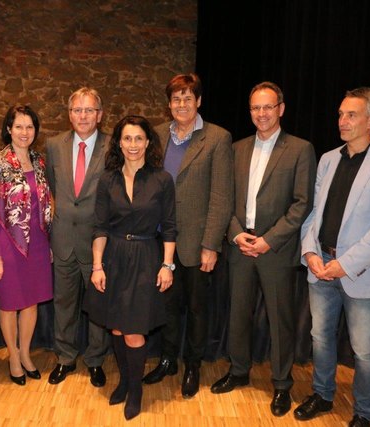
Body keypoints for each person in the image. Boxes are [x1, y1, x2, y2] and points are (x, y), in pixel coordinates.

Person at [295, 87, 370, 427]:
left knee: (364, 351)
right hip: (320, 266)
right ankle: (323, 394)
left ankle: (364, 413)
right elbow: (314, 213)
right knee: (320, 337)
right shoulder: (329, 159)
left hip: (359, 272)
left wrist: (344, 265)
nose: (342, 121)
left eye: (351, 115)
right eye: (341, 114)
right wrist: (310, 251)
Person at [210, 82, 316, 417]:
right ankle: (239, 371)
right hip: (241, 246)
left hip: (276, 250)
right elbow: (224, 198)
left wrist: (269, 240)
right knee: (238, 313)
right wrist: (237, 233)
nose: (262, 113)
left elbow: (302, 204)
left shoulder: (300, 149)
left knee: (279, 320)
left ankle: (282, 384)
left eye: (268, 107)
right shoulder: (237, 148)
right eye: (256, 107)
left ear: (281, 109)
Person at [143, 73, 233, 399]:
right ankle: (168, 359)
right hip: (160, 241)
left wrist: (211, 244)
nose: (182, 104)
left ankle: (192, 364)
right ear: (169, 104)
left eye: (188, 98)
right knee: (166, 306)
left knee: (197, 308)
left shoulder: (218, 139)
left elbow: (222, 196)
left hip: (197, 242)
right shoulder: (156, 137)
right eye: (176, 99)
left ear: (199, 101)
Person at [84, 115, 176, 419]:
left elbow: (171, 228)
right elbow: (99, 227)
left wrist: (167, 265)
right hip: (114, 256)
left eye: (138, 138)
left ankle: (135, 390)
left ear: (148, 142)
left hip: (146, 256)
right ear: (119, 142)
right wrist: (97, 266)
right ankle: (124, 381)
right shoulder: (107, 179)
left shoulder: (162, 179)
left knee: (134, 331)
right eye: (127, 138)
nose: (133, 145)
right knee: (118, 326)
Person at [45, 87, 111, 387]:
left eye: (88, 110)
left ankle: (95, 359)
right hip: (62, 241)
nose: (82, 116)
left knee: (98, 306)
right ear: (69, 114)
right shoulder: (54, 145)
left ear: (99, 114)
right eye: (76, 110)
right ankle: (65, 357)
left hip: (97, 242)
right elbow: (54, 189)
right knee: (64, 303)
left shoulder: (114, 147)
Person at [0, 105, 53, 385]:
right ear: (9, 129)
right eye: (19, 126)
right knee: (10, 303)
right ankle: (12, 356)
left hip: (37, 242)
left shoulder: (39, 161)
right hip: (8, 244)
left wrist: (48, 242)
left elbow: (45, 204)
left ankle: (26, 353)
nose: (25, 132)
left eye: (30, 127)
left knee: (32, 301)